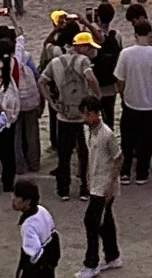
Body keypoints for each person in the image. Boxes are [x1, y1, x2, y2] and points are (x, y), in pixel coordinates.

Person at [39, 27, 99, 201]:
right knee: (85, 153)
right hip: (83, 115)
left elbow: (42, 81)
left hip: (63, 113)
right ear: (82, 47)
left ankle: (63, 189)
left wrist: (51, 102)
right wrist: (97, 97)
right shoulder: (83, 61)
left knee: (64, 155)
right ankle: (85, 188)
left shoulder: (56, 62)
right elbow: (90, 78)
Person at [114, 18, 152, 184]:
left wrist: (123, 94)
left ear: (135, 34)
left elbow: (119, 80)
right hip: (151, 103)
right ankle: (142, 172)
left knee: (128, 138)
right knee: (146, 140)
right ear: (150, 34)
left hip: (131, 101)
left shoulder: (126, 54)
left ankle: (125, 171)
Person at [78, 96, 123, 278]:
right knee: (105, 222)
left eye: (88, 114)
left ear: (97, 114)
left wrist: (111, 185)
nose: (85, 118)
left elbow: (118, 158)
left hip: (105, 185)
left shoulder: (107, 134)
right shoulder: (87, 130)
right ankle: (112, 256)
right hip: (95, 182)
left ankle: (92, 263)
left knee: (91, 222)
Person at [12, 177, 59, 278]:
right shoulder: (42, 210)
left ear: (27, 201)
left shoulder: (28, 225)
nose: (13, 199)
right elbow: (53, 232)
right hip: (51, 253)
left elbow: (34, 254)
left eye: (17, 197)